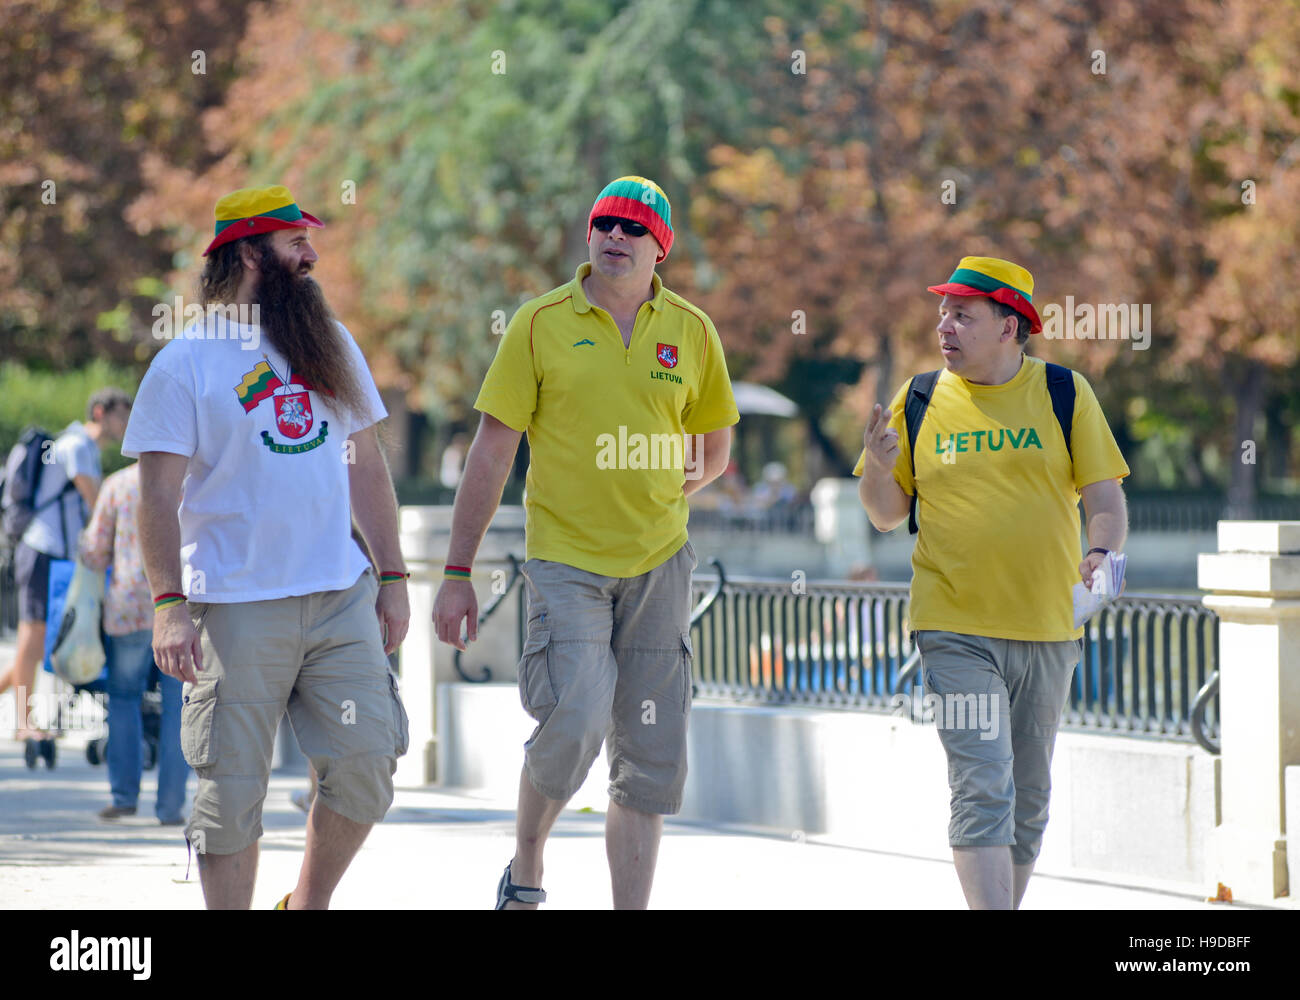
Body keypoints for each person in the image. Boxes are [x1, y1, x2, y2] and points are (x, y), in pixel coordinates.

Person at [433, 176, 739, 909]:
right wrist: (456, 570)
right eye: (604, 222)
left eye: (634, 228)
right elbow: (490, 454)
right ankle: (527, 862)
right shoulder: (538, 324)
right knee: (573, 716)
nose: (615, 236)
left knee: (647, 754)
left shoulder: (692, 332)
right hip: (565, 561)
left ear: (659, 247)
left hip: (661, 563)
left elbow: (715, 449)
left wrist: (659, 494)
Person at [122, 184, 410, 910]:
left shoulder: (330, 344)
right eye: (295, 245)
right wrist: (168, 607)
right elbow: (155, 497)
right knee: (230, 797)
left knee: (368, 765)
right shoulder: (183, 364)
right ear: (250, 253)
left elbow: (365, 465)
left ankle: (305, 905)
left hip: (338, 594)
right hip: (233, 604)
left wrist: (394, 574)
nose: (311, 257)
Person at [855, 255, 1129, 910]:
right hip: (952, 628)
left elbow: (1106, 500)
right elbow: (887, 514)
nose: (944, 326)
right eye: (943, 312)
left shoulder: (1065, 393)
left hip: (1047, 625)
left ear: (1009, 326)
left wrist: (1102, 554)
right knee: (982, 785)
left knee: (1028, 800)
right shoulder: (918, 398)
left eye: (962, 314)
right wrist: (876, 466)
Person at [0, 389, 130, 766]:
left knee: (42, 639)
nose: (126, 423)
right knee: (33, 635)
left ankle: (22, 712)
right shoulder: (74, 445)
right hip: (42, 549)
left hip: (56, 553)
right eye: (122, 414)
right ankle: (23, 722)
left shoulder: (80, 447)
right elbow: (99, 504)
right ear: (101, 412)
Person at [79, 461, 190, 823]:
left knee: (125, 699)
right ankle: (170, 806)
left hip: (128, 608)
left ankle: (124, 797)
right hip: (180, 606)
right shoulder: (190, 480)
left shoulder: (117, 484)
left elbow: (93, 551)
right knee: (179, 705)